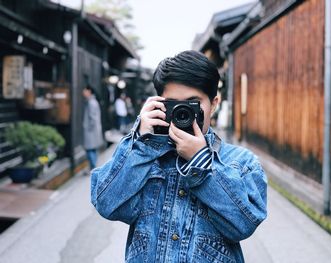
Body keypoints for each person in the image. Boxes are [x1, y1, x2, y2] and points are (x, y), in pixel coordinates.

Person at [91, 51, 267, 262]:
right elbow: (106, 203)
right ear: (159, 105)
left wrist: (200, 162)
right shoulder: (144, 157)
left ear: (214, 104)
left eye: (192, 104)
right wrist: (142, 143)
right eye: (174, 105)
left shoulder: (241, 162)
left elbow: (243, 225)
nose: (184, 114)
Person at [82, 85, 104, 171]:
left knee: (90, 149)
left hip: (91, 130)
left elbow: (92, 118)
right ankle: (93, 167)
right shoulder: (93, 101)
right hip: (94, 129)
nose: (83, 93)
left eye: (84, 91)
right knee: (93, 149)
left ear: (89, 91)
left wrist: (88, 127)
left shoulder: (91, 102)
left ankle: (93, 168)